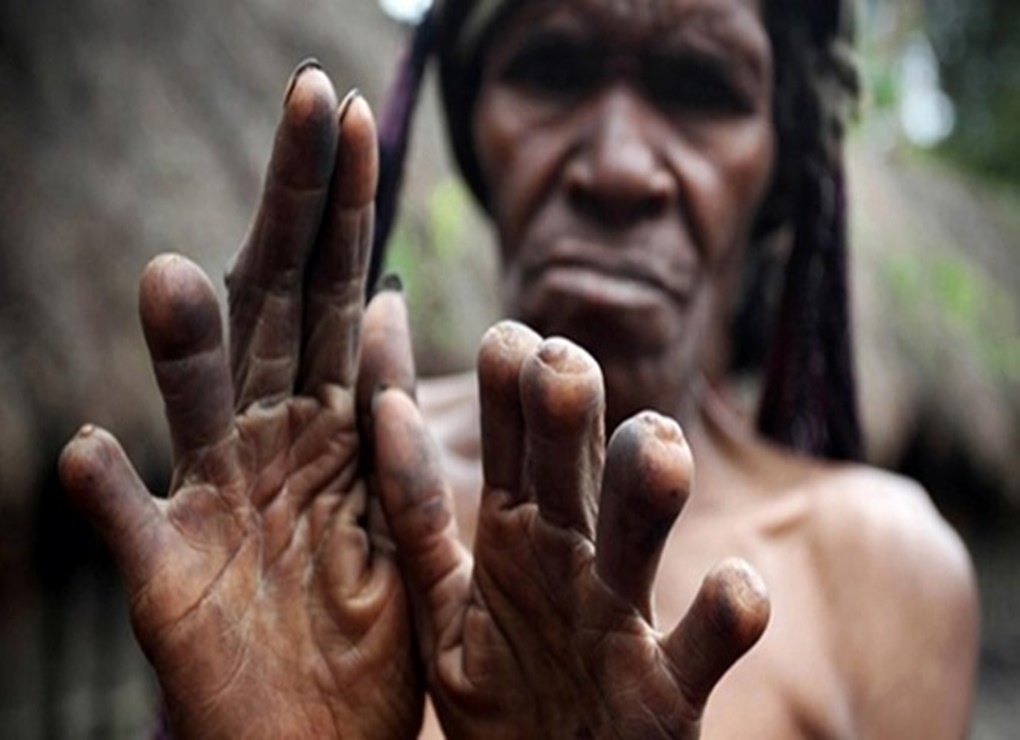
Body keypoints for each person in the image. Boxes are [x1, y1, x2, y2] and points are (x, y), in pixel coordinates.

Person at [59, 0, 979, 737]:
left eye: (701, 88)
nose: (619, 168)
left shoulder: (882, 572)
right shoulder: (300, 525)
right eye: (553, 69)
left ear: (780, 167)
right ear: (474, 124)